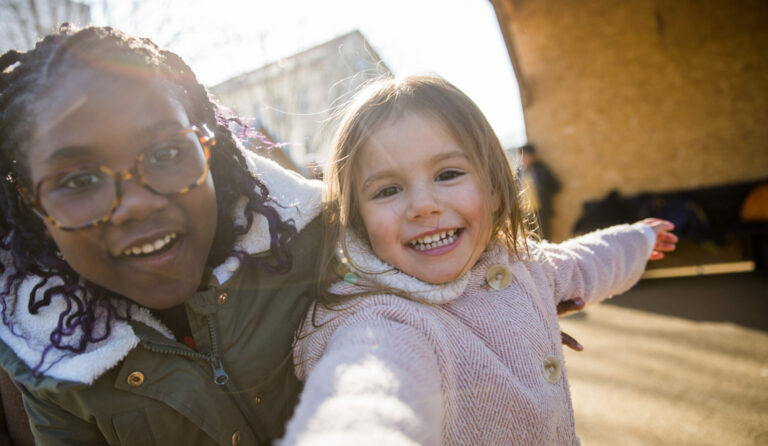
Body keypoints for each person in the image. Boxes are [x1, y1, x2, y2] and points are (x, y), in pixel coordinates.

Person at [281, 75, 677, 445]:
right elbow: (368, 386)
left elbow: (583, 262)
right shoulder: (378, 318)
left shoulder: (521, 265)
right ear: (358, 222)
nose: (422, 206)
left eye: (448, 174)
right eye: (388, 190)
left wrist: (637, 240)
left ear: (494, 191)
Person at [0, 25, 324, 445]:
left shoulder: (324, 244)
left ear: (207, 146)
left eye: (166, 153)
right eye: (79, 181)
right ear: (30, 202)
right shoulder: (46, 356)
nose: (137, 203)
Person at [518, 142, 561, 239]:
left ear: (532, 156)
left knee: (544, 237)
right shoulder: (519, 172)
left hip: (540, 211)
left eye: (525, 155)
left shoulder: (541, 169)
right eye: (521, 155)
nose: (523, 158)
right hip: (526, 213)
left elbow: (556, 186)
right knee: (530, 238)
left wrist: (545, 197)